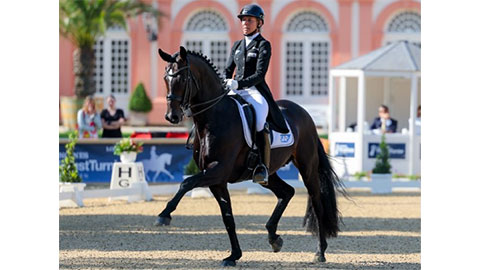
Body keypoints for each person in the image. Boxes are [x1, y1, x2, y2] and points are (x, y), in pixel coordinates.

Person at [223, 3, 289, 185]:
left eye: (249, 20)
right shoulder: (237, 45)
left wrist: (239, 83)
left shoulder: (263, 45)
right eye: (243, 20)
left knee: (260, 119)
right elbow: (228, 69)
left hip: (254, 91)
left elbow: (259, 74)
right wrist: (226, 82)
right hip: (235, 90)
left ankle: (262, 166)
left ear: (259, 23)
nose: (245, 23)